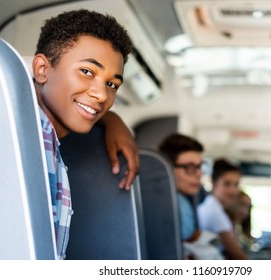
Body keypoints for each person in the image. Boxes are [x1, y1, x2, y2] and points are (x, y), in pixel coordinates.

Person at [32, 9, 136, 259]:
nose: (102, 95)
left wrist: (112, 119)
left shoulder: (50, 140)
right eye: (87, 71)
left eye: (112, 84)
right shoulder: (33, 136)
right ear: (42, 69)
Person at [158, 133, 223, 259]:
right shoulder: (170, 205)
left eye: (200, 166)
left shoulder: (183, 201)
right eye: (190, 167)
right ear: (167, 168)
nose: (199, 174)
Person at [197, 158, 248, 260]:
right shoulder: (214, 211)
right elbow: (237, 255)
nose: (233, 190)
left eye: (236, 184)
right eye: (227, 184)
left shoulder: (213, 206)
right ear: (214, 184)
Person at [226, 191, 254, 255]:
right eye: (242, 204)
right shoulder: (226, 227)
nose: (244, 211)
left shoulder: (238, 228)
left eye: (247, 207)